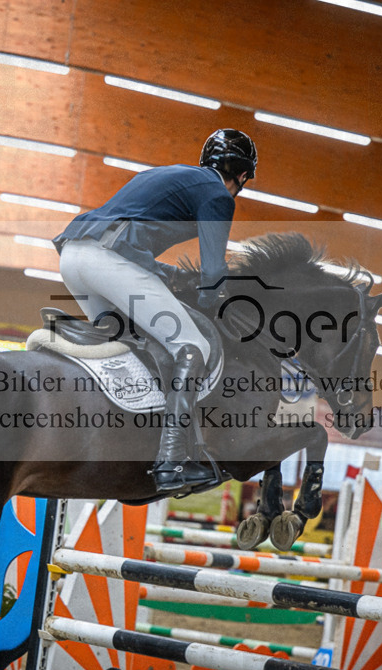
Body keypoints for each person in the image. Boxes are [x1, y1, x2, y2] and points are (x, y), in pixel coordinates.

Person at [53, 128, 257, 496]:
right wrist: (210, 304)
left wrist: (175, 277)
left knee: (129, 347)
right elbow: (213, 273)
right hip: (107, 261)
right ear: (242, 175)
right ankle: (172, 460)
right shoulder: (217, 195)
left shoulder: (170, 174)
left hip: (73, 257)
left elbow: (135, 247)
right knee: (193, 346)